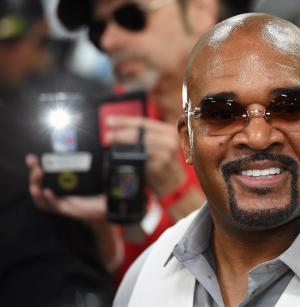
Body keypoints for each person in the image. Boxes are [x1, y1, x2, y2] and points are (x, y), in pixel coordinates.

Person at [114, 13, 300, 306]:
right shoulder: (146, 278)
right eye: (222, 114)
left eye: (289, 107)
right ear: (187, 139)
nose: (258, 137)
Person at [27, 0, 253, 280]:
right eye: (97, 30)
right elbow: (137, 278)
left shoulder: (275, 113)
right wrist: (102, 228)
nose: (109, 42)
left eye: (131, 17)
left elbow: (267, 272)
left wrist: (177, 191)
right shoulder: (120, 113)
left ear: (200, 10)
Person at [0, 1, 116, 306]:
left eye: (10, 41)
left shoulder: (95, 98)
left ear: (40, 30)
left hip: (90, 276)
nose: (3, 54)